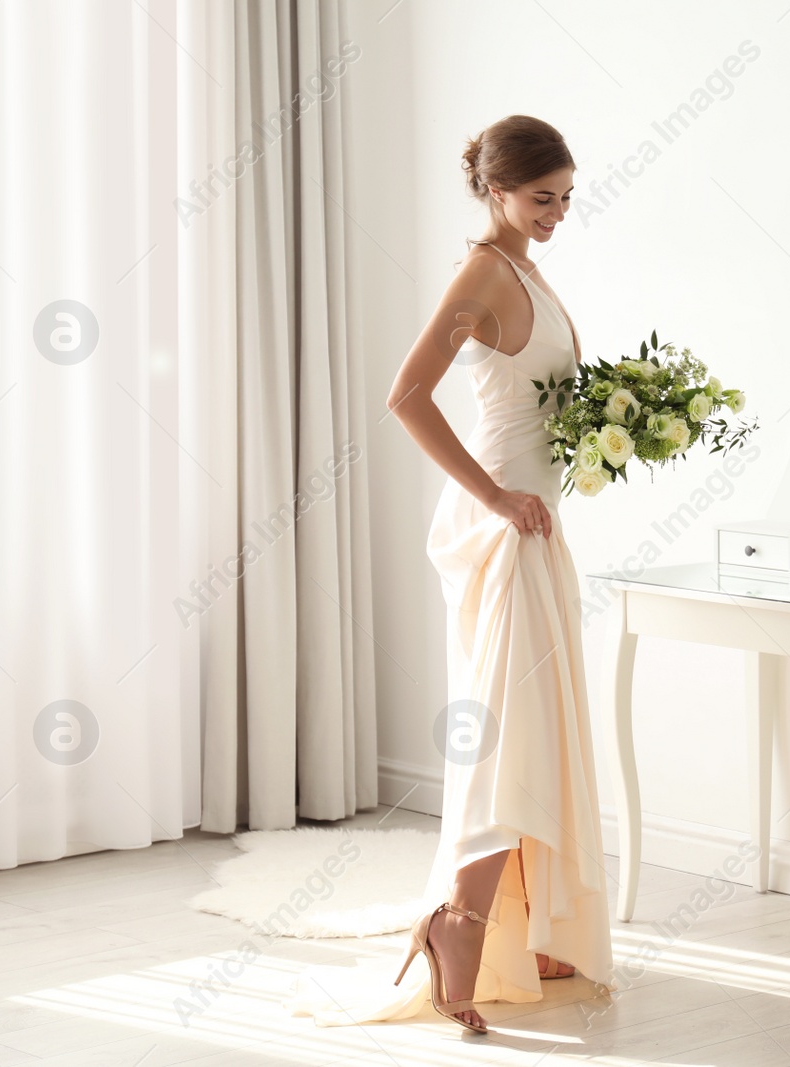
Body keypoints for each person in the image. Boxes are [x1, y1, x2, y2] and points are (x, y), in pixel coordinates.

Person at [283, 115, 614, 1033]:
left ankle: (509, 927)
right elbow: (405, 395)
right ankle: (459, 927)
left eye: (567, 199)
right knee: (507, 736)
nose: (557, 214)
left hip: (537, 527)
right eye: (543, 198)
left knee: (531, 733)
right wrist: (502, 498)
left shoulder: (526, 272)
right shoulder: (482, 271)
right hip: (507, 531)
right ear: (497, 190)